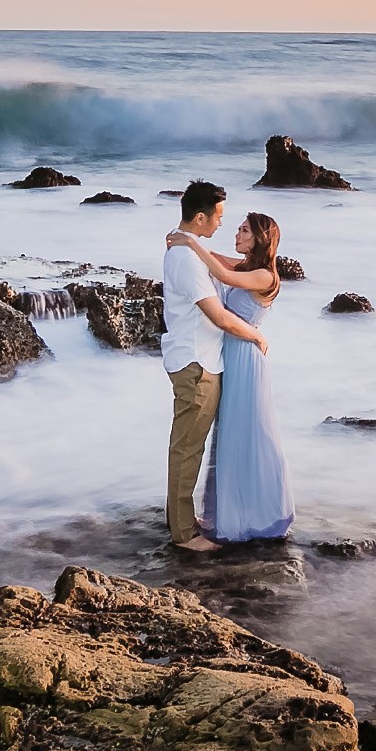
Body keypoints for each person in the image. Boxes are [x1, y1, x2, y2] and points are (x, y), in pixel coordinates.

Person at [168, 213, 296, 542]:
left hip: (245, 357)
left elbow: (221, 273)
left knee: (249, 434)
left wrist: (192, 242)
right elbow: (218, 264)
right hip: (229, 355)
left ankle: (258, 514)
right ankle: (227, 511)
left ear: (259, 238)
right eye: (237, 228)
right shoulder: (245, 266)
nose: (236, 234)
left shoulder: (264, 276)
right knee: (228, 437)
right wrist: (185, 242)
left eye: (243, 230)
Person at [159, 181, 267, 553]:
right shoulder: (188, 260)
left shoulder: (190, 250)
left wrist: (187, 240)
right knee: (188, 448)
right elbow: (218, 315)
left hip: (200, 358)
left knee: (189, 445)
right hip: (196, 362)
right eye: (219, 217)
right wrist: (254, 336)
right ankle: (184, 534)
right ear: (201, 216)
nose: (223, 223)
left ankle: (180, 516)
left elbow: (231, 269)